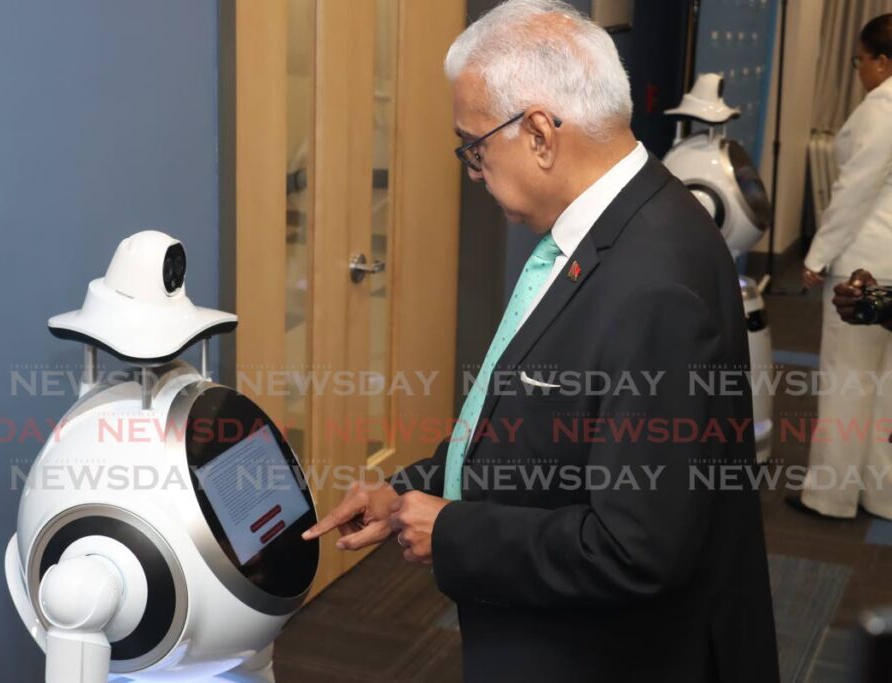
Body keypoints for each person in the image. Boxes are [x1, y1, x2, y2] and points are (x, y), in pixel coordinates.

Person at [302, 1, 779, 681]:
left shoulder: (654, 283)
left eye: (473, 145)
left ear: (538, 134)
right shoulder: (617, 223)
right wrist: (413, 488)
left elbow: (634, 546)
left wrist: (451, 529)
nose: (471, 170)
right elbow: (543, 428)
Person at [793, 14, 892, 520]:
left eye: (860, 61)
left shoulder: (882, 109)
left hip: (865, 267)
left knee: (849, 378)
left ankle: (830, 497)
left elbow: (855, 192)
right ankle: (881, 493)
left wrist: (816, 256)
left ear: (881, 60)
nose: (859, 72)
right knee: (887, 383)